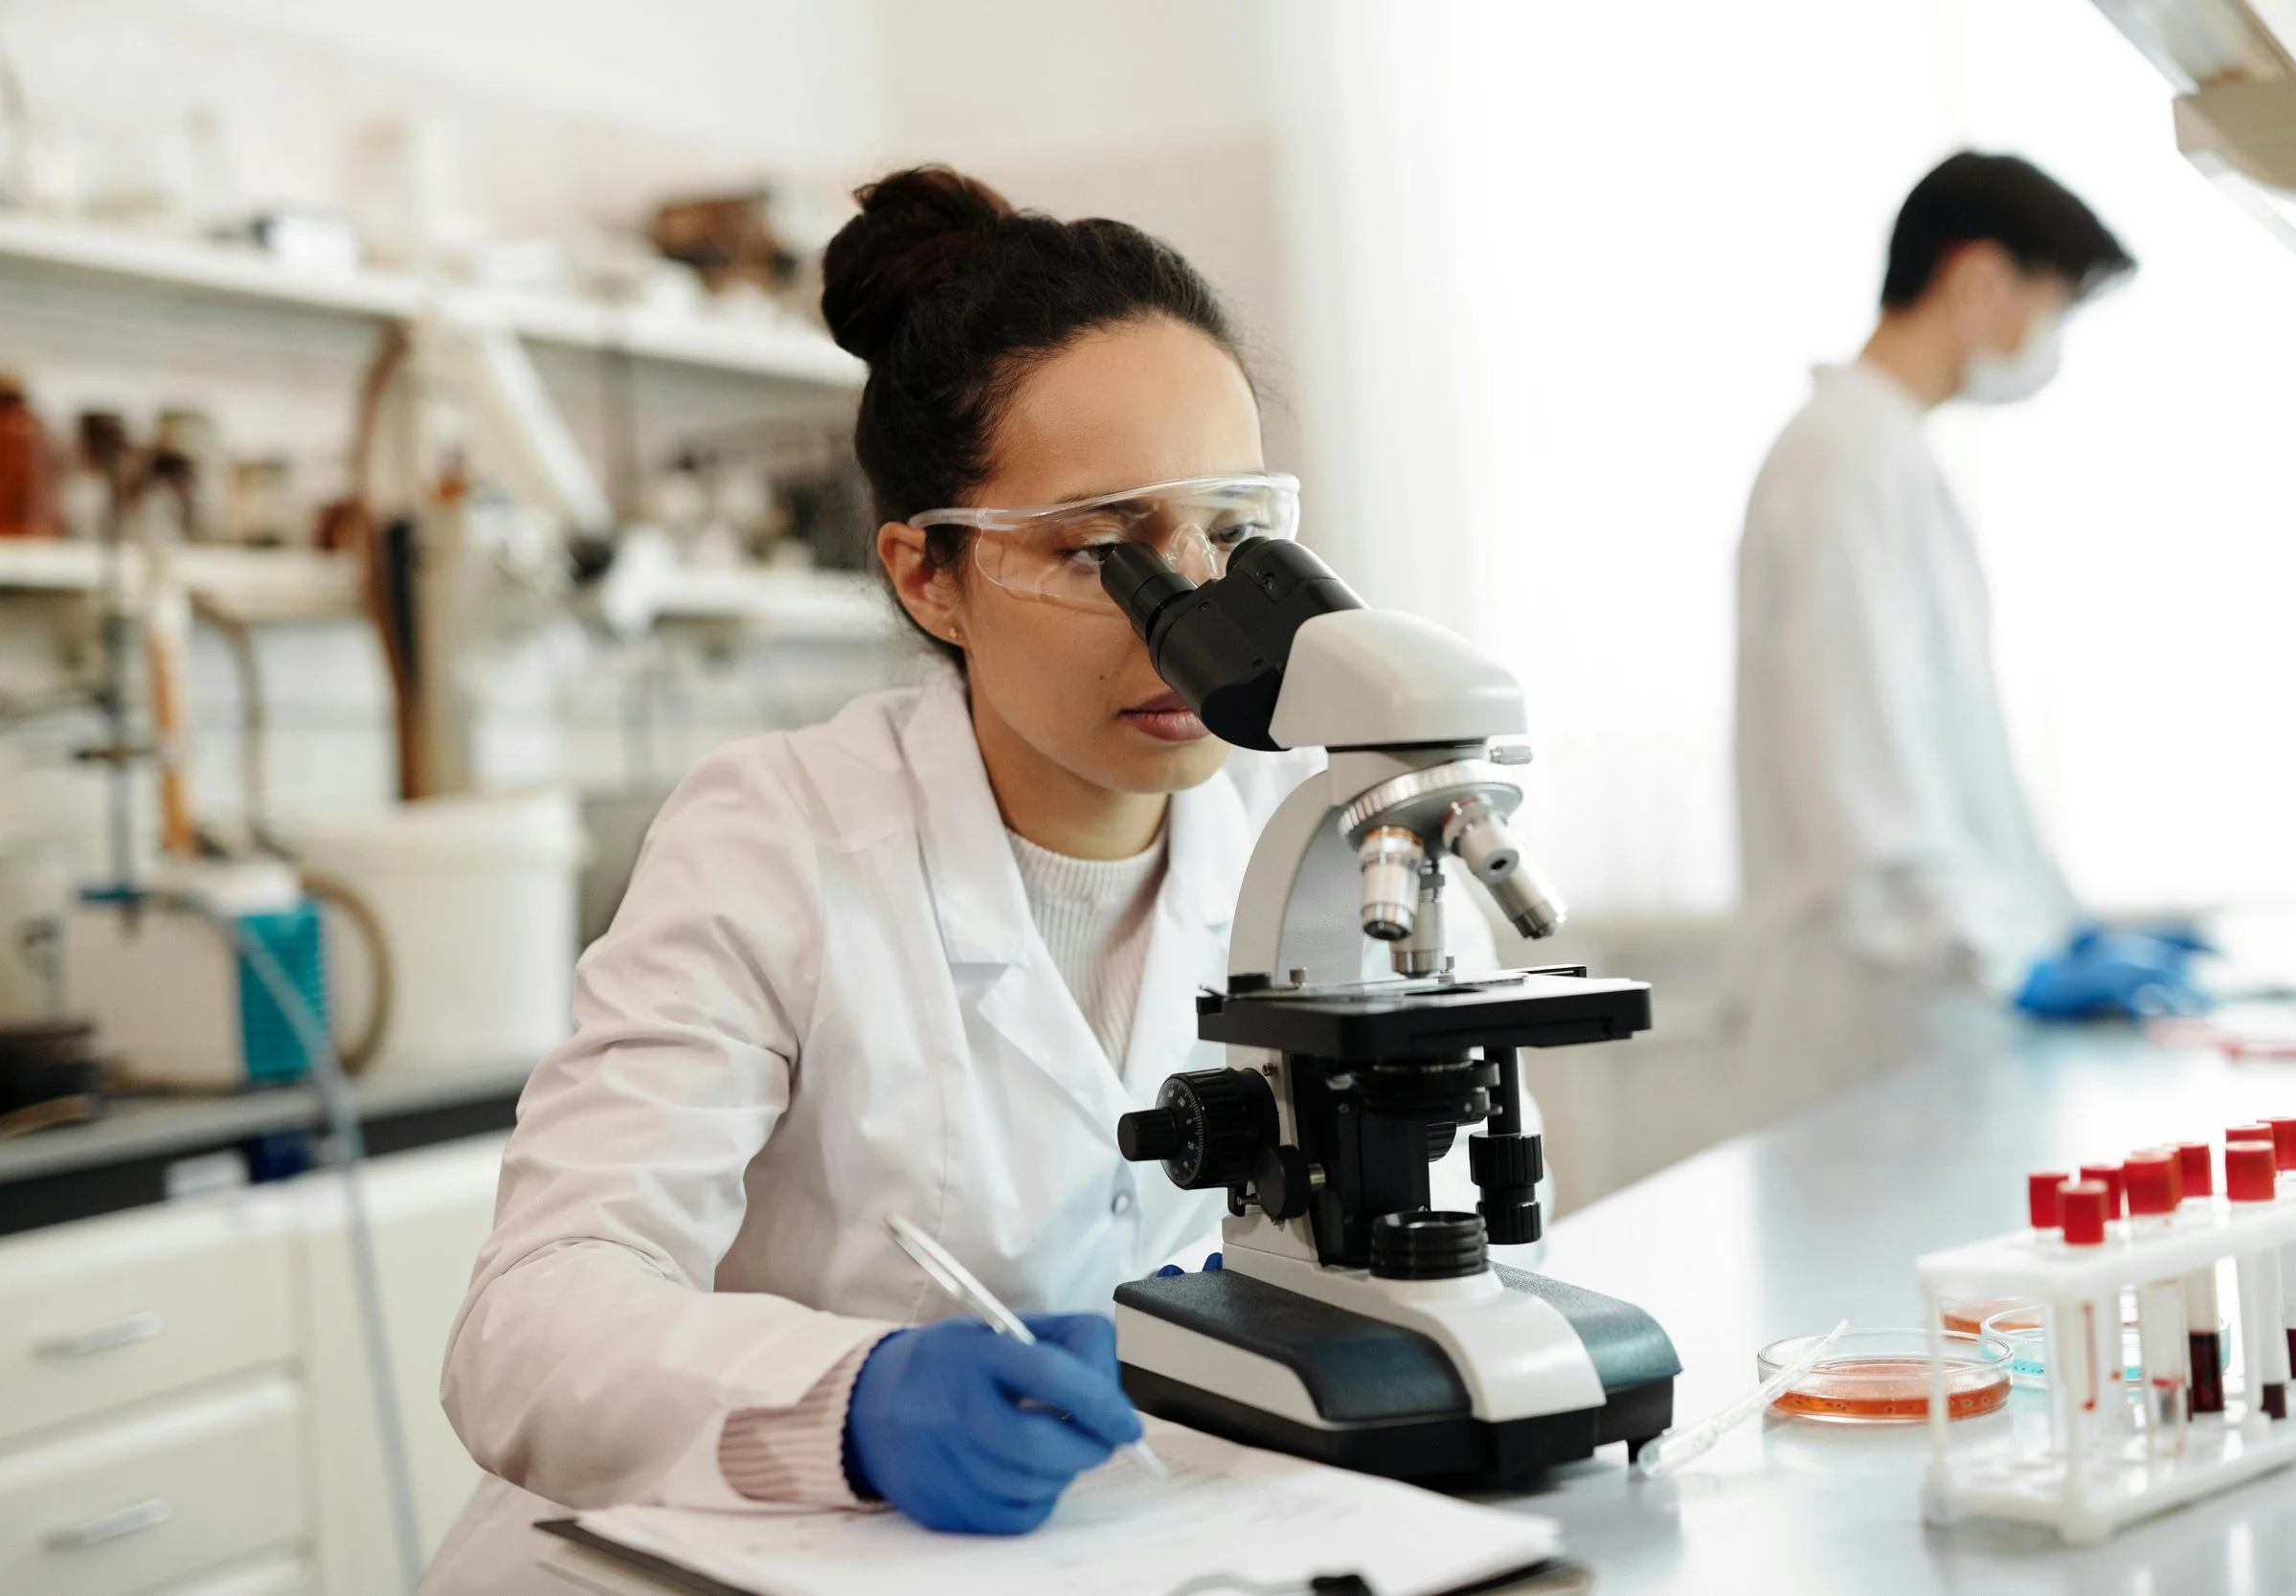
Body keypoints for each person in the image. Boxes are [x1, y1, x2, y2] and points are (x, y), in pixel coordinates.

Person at [423, 167, 1511, 1592]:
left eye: (1230, 534)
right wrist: (856, 1400)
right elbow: (528, 1326)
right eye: (1096, 550)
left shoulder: (1308, 850)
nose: (1188, 616)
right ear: (928, 576)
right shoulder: (779, 834)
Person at [1728, 151, 2199, 1108]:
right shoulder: (1842, 460)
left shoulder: (1885, 452)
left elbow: (1957, 762)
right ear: (1981, 276)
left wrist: (2055, 923)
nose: (2048, 339)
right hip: (1862, 1024)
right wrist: (1997, 956)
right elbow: (1861, 770)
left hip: (1919, 1010)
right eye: (2053, 304)